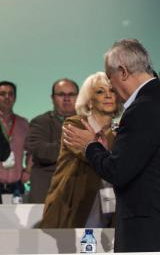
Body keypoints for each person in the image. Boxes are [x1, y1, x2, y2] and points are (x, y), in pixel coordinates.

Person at [63, 39, 160, 252]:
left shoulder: (142, 109)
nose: (111, 91)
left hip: (147, 229)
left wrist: (90, 145)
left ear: (123, 72)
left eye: (110, 79)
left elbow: (118, 171)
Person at [41, 72, 119, 228]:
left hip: (110, 205)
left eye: (112, 91)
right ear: (89, 101)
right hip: (73, 204)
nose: (108, 96)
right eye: (100, 92)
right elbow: (89, 154)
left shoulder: (121, 131)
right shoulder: (75, 124)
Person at [26, 78, 78, 203]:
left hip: (79, 189)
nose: (66, 98)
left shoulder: (87, 122)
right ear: (52, 98)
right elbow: (41, 152)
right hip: (47, 191)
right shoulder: (39, 122)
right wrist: (75, 143)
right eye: (61, 94)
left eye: (71, 94)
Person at [0, 81, 31, 198]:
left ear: (15, 98)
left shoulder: (23, 123)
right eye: (2, 94)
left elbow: (31, 151)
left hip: (17, 186)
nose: (7, 97)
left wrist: (28, 171)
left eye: (11, 94)